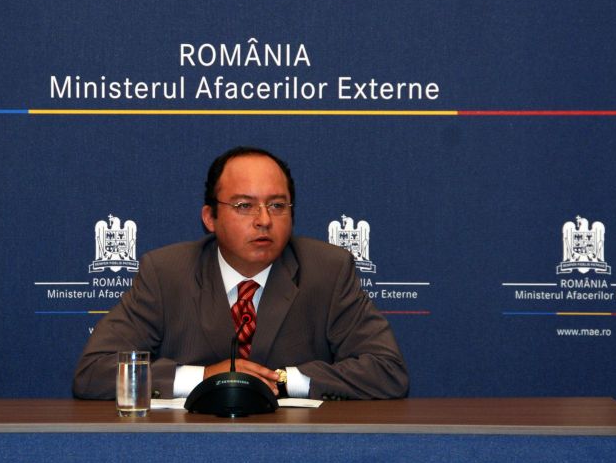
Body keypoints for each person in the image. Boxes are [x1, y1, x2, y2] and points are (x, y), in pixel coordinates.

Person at [73, 146, 408, 400]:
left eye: (277, 205)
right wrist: (204, 377)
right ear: (210, 217)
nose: (264, 220)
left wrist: (282, 379)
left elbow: (387, 371)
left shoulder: (328, 271)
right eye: (244, 206)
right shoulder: (165, 274)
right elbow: (93, 373)